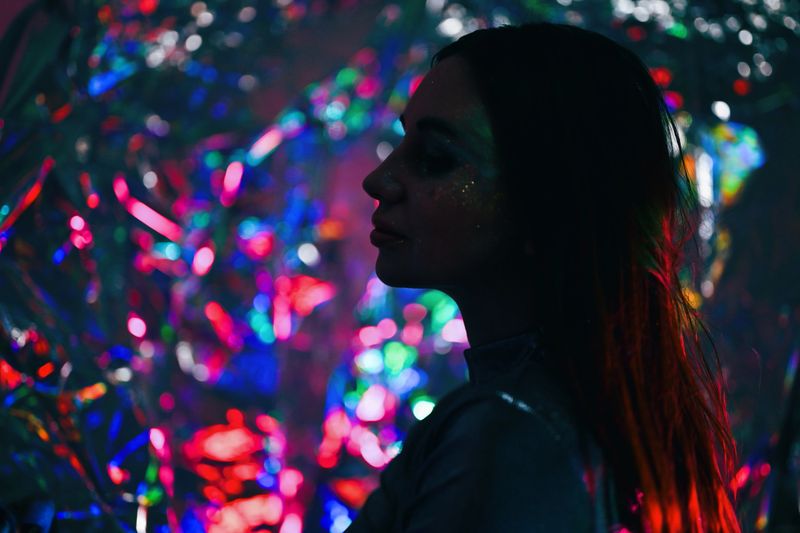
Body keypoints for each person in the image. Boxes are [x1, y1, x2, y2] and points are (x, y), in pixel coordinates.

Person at [349, 22, 740, 533]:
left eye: (435, 159)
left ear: (548, 203)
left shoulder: (508, 428)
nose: (378, 180)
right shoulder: (595, 412)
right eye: (401, 144)